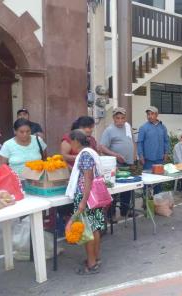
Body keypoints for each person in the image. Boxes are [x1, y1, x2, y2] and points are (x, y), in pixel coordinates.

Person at [65, 130, 104, 275]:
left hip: (86, 197)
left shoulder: (85, 155)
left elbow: (88, 178)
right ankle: (96, 258)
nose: (70, 145)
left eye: (71, 142)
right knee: (94, 228)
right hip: (93, 197)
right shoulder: (90, 152)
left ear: (76, 141)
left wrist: (83, 201)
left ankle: (91, 264)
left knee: (88, 231)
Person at [99, 107, 136, 218]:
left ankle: (125, 211)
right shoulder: (109, 130)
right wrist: (116, 155)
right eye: (117, 118)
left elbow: (132, 142)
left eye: (122, 118)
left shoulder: (128, 126)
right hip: (115, 165)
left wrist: (134, 157)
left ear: (125, 118)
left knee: (127, 189)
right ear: (113, 118)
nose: (120, 120)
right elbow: (102, 147)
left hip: (128, 163)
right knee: (114, 189)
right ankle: (111, 214)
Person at [138, 106, 169, 193]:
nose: (150, 116)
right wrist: (140, 155)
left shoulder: (163, 127)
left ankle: (157, 200)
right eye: (148, 114)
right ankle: (146, 201)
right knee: (147, 182)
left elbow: (166, 141)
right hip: (148, 160)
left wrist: (166, 153)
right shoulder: (143, 128)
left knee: (159, 181)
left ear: (157, 115)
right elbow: (139, 143)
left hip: (160, 159)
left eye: (152, 114)